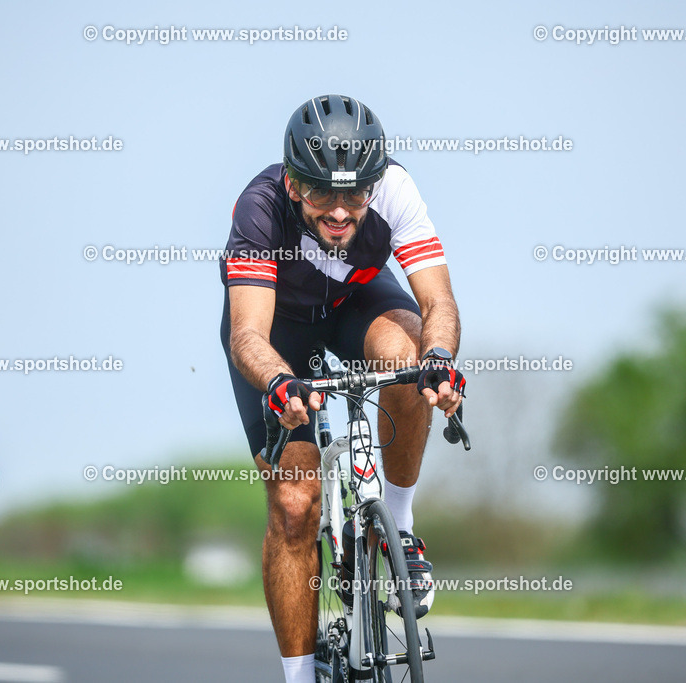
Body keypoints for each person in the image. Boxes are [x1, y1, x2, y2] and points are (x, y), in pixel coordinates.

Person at [220, 94, 466, 683]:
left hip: (356, 300)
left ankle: (398, 529)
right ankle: (299, 676)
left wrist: (439, 358)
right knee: (294, 506)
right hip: (279, 328)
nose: (339, 210)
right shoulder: (259, 208)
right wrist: (280, 381)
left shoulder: (396, 191)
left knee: (408, 361)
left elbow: (437, 301)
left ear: (374, 184)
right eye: (322, 192)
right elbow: (247, 333)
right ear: (294, 183)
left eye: (355, 193)